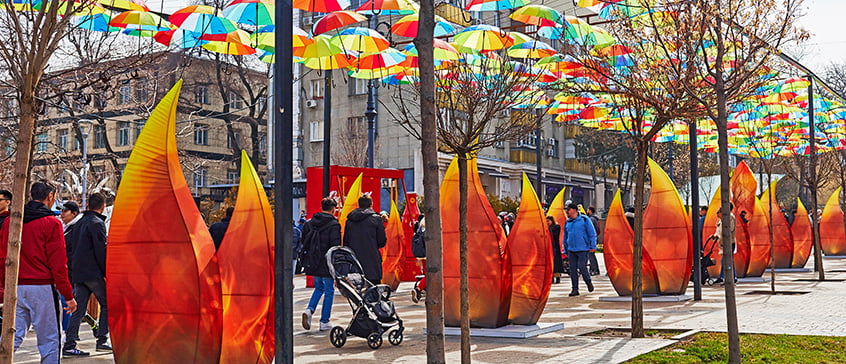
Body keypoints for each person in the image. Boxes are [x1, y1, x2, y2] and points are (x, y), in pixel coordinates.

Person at [0, 181, 78, 362]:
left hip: (15, 286)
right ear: (50, 196)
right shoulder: (51, 223)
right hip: (42, 286)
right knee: (50, 338)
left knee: (13, 334)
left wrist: (4, 286)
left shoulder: (11, 222)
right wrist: (67, 295)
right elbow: (58, 264)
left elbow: (3, 258)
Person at [63, 192, 111, 356]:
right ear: (102, 207)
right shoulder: (97, 223)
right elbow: (100, 251)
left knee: (79, 309)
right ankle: (102, 340)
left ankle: (69, 345)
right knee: (107, 304)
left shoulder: (79, 223)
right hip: (93, 273)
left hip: (78, 273)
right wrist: (106, 272)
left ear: (88, 205)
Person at [301, 197, 341, 332]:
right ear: (333, 209)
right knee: (329, 290)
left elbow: (304, 240)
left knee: (318, 288)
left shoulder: (309, 223)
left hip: (312, 261)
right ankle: (324, 321)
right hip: (326, 262)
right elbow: (335, 246)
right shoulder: (334, 225)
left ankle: (309, 309)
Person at [344, 195, 387, 283]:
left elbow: (346, 241)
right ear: (371, 204)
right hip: (372, 258)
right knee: (373, 287)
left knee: (356, 289)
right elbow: (381, 241)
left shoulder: (350, 220)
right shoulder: (376, 219)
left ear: (358, 205)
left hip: (354, 259)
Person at [562, 203, 597, 296]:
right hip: (571, 249)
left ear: (574, 210)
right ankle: (575, 289)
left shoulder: (585, 220)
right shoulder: (568, 222)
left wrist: (593, 246)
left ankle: (588, 282)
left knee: (582, 266)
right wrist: (565, 249)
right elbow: (565, 237)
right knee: (572, 269)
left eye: (568, 210)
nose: (567, 212)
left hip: (583, 248)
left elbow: (592, 233)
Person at [711, 204, 737, 285]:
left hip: (729, 243)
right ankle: (729, 276)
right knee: (726, 261)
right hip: (722, 243)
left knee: (726, 260)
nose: (717, 214)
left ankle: (726, 277)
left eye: (718, 212)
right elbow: (718, 231)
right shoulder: (720, 221)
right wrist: (716, 236)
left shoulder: (730, 217)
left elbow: (730, 229)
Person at [546, 216, 564, 284]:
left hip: (555, 246)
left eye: (548, 221)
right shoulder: (546, 228)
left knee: (556, 262)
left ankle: (557, 277)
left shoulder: (556, 227)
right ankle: (551, 277)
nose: (547, 223)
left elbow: (555, 235)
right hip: (549, 247)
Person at [586, 207, 601, 276]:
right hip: (594, 239)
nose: (587, 211)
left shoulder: (591, 219)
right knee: (591, 255)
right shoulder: (595, 219)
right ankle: (594, 269)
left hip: (590, 239)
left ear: (590, 211)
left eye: (588, 210)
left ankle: (594, 269)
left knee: (591, 255)